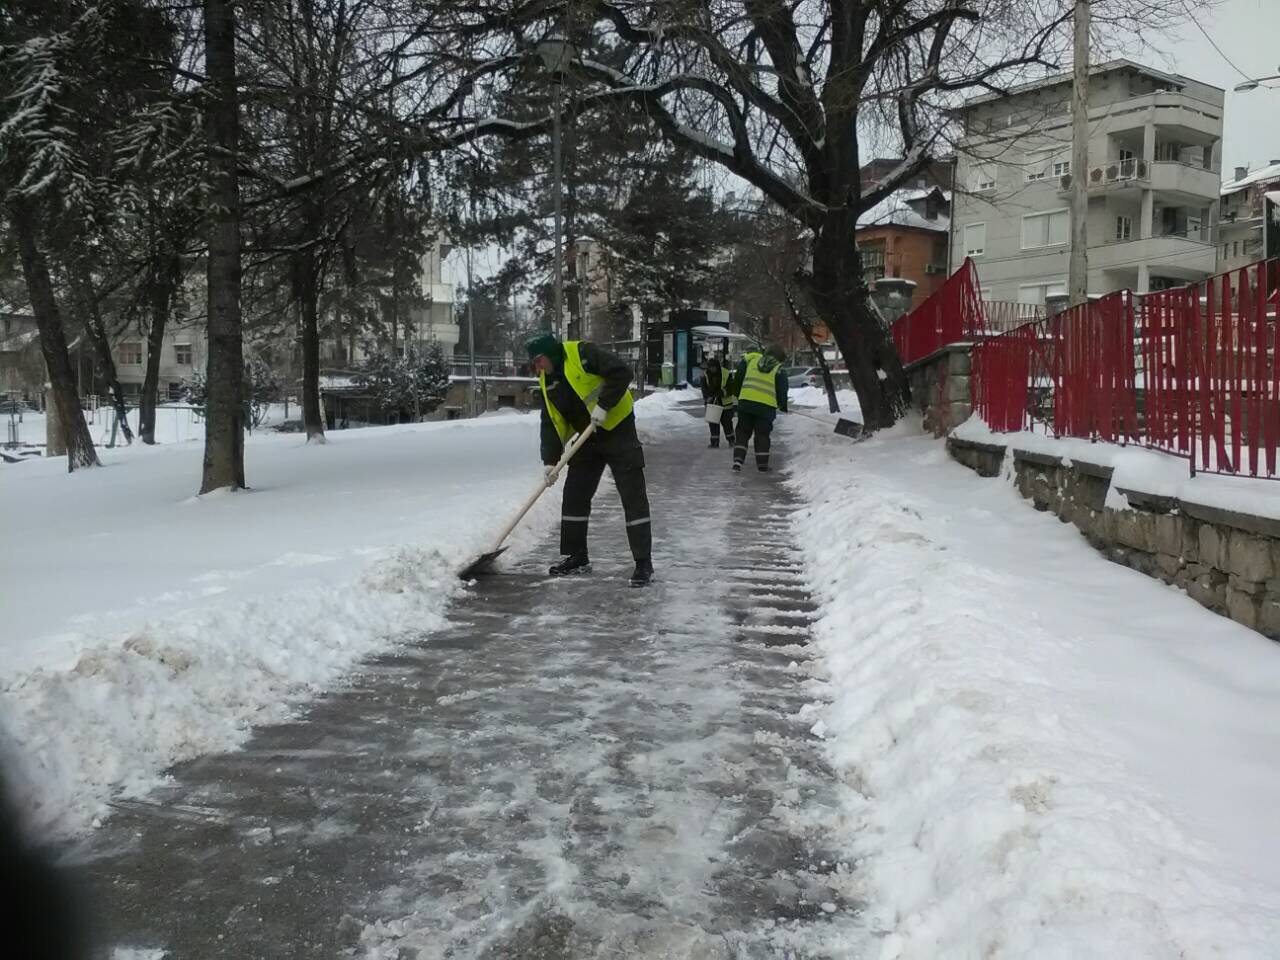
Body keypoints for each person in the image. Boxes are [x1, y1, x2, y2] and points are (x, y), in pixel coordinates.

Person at [527, 332, 653, 586]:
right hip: (587, 438)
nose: (537, 367)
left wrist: (604, 405)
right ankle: (577, 556)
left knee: (632, 495)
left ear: (550, 353)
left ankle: (643, 563)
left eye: (539, 360)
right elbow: (550, 422)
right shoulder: (547, 381)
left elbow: (621, 372)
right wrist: (550, 460)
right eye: (534, 363)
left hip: (617, 428)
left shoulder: (582, 353)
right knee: (575, 494)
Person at [728, 344, 788, 472]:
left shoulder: (752, 361)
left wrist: (738, 396)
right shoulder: (779, 369)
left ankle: (738, 461)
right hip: (765, 408)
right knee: (762, 435)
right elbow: (782, 390)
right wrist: (782, 405)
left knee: (743, 433)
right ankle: (762, 466)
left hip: (746, 403)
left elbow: (739, 379)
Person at [699, 355, 735, 448]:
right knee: (713, 423)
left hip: (725, 403)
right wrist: (708, 397)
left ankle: (731, 440)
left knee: (727, 423)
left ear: (717, 366)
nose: (712, 369)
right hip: (712, 403)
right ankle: (714, 442)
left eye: (713, 367)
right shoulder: (705, 375)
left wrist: (721, 393)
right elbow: (704, 389)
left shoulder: (726, 373)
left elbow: (731, 388)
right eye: (710, 367)